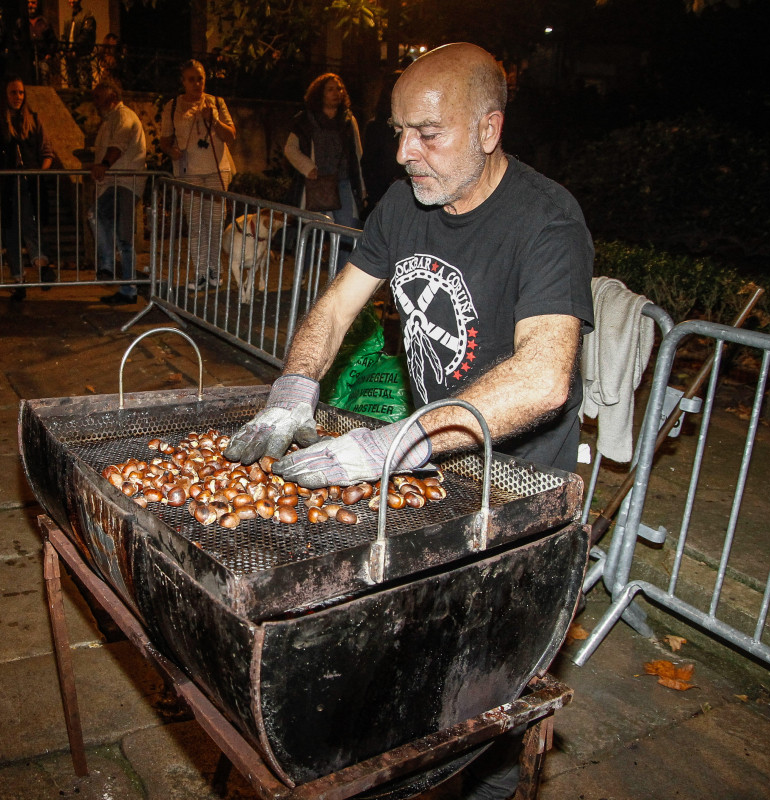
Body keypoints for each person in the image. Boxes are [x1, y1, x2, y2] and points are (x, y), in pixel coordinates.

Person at [224, 45, 594, 797]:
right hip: (425, 465)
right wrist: (293, 388)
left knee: (484, 698)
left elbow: (544, 376)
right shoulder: (402, 206)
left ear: (489, 128)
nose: (402, 154)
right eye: (397, 131)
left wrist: (393, 442)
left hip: (513, 483)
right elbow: (334, 308)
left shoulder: (546, 219)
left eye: (427, 134)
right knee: (406, 665)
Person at [0, 76, 56, 302]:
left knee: (29, 222)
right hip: (5, 184)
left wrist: (40, 171)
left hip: (28, 182)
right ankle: (20, 278)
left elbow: (47, 151)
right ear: (5, 95)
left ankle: (40, 263)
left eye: (20, 92)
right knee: (10, 229)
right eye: (13, 92)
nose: (18, 97)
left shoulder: (33, 120)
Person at [158, 59, 237, 292]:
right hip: (188, 171)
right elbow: (164, 138)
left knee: (214, 222)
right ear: (183, 81)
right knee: (195, 224)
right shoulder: (172, 106)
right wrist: (171, 151)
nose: (197, 83)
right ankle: (200, 272)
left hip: (216, 169)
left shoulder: (216, 103)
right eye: (191, 79)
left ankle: (215, 271)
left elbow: (230, 135)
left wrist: (213, 119)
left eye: (200, 78)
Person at [89, 79, 147, 307]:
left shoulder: (123, 116)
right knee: (120, 234)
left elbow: (119, 145)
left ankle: (108, 268)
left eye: (98, 98)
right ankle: (126, 287)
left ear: (111, 98)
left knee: (100, 218)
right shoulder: (110, 120)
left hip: (124, 183)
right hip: (117, 184)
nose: (95, 102)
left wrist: (103, 164)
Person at [284, 72, 365, 230]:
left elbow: (357, 153)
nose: (336, 93)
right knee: (313, 230)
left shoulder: (348, 120)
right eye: (330, 89)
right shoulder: (306, 120)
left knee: (347, 229)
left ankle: (343, 256)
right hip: (317, 183)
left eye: (339, 89)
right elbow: (290, 148)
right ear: (320, 93)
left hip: (343, 181)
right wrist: (308, 167)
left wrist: (361, 186)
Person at [360, 70, 404, 218]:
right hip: (383, 193)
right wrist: (376, 196)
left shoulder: (415, 126)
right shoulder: (376, 127)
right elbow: (368, 164)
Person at [61, 0, 95, 89]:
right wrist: (65, 49)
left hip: (82, 55)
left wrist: (75, 48)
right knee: (72, 84)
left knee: (84, 85)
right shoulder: (68, 18)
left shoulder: (87, 15)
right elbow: (65, 35)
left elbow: (86, 35)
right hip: (70, 56)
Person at [24, 0, 58, 86]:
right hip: (27, 61)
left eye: (33, 3)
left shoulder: (44, 23)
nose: (30, 5)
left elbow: (53, 40)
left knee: (44, 82)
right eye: (28, 3)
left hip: (42, 59)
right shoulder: (22, 22)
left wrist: (49, 54)